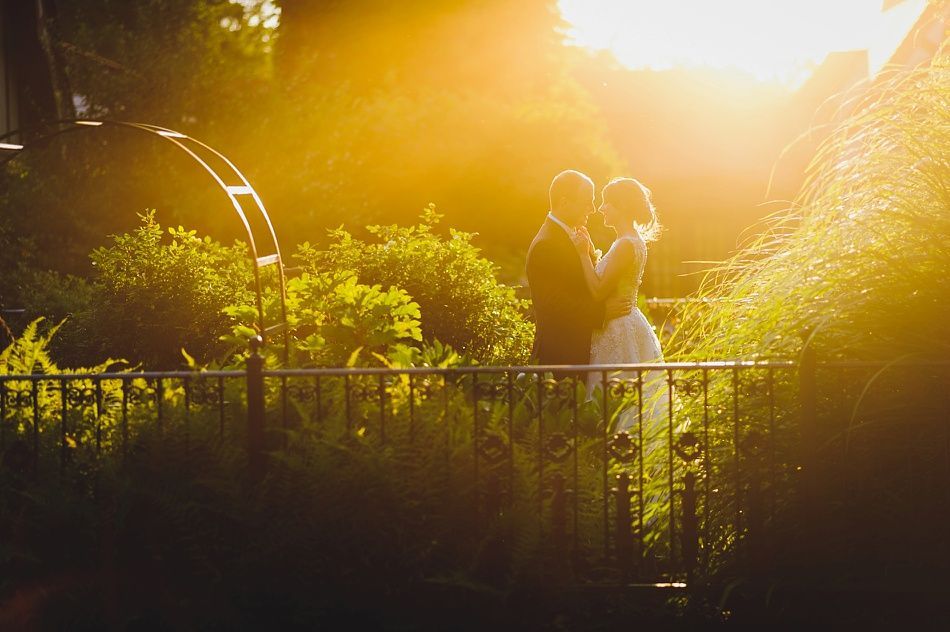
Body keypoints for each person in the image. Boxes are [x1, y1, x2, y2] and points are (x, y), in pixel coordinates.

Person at [570, 177, 667, 431]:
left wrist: (581, 255)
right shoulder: (630, 241)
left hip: (618, 328)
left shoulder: (625, 245)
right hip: (623, 322)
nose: (601, 208)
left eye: (606, 203)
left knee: (619, 400)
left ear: (621, 206)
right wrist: (591, 253)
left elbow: (598, 290)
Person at [525, 170, 633, 377]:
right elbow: (551, 303)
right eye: (587, 202)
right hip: (560, 358)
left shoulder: (573, 235)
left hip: (580, 353)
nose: (592, 209)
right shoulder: (546, 244)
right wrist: (601, 312)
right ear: (564, 202)